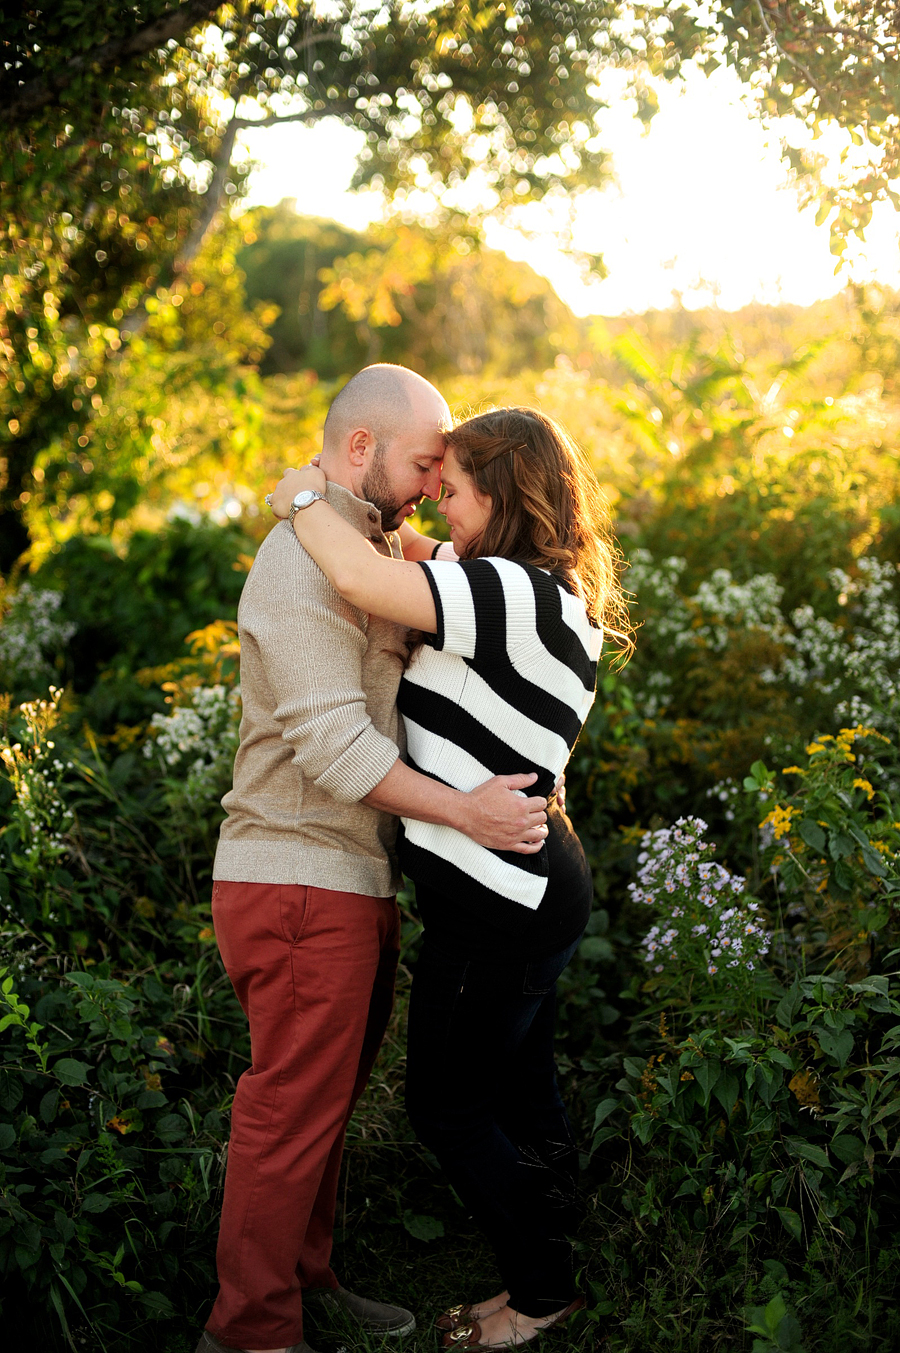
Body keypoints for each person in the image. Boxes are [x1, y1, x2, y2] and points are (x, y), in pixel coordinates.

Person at [200, 368, 550, 1353]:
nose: (433, 485)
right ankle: (252, 1332)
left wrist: (313, 498)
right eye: (423, 465)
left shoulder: (361, 543)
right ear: (363, 450)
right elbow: (335, 746)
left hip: (348, 879)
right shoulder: (302, 564)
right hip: (297, 877)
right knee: (289, 1113)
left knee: (323, 1108)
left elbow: (480, 562)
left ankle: (307, 1278)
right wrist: (469, 816)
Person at [269, 405, 633, 1351]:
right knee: (522, 1086)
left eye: (458, 485)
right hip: (529, 882)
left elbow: (354, 573)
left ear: (504, 500)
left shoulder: (507, 591)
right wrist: (383, 507)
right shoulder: (525, 586)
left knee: (448, 1104)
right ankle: (563, 1235)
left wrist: (301, 496)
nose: (439, 498)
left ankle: (542, 1287)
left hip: (499, 902)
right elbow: (412, 545)